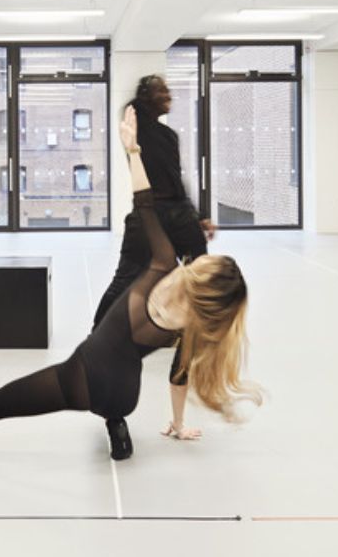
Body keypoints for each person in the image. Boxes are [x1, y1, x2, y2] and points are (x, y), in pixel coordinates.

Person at [0, 105, 258, 460]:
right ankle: (116, 424)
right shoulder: (192, 327)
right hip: (127, 395)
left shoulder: (161, 263)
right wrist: (175, 425)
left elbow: (144, 200)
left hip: (82, 379)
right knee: (114, 399)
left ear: (200, 271)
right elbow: (179, 376)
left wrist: (132, 149)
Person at [90, 74, 216, 455]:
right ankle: (100, 333)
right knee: (128, 280)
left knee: (197, 290)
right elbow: (154, 175)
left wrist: (198, 217)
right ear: (147, 98)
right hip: (155, 215)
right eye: (162, 92)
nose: (170, 97)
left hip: (170, 215)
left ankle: (175, 345)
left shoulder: (167, 135)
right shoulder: (137, 126)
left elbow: (177, 183)